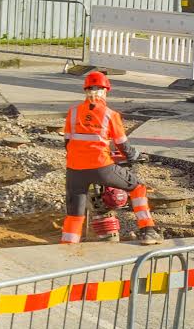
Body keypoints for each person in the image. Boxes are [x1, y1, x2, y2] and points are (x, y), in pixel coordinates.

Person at [61, 71, 163, 245]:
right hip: (101, 167)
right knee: (138, 187)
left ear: (85, 90)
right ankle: (148, 230)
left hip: (74, 170)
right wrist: (135, 156)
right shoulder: (110, 114)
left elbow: (68, 142)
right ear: (105, 91)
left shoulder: (73, 112)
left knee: (75, 214)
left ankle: (66, 248)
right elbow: (123, 145)